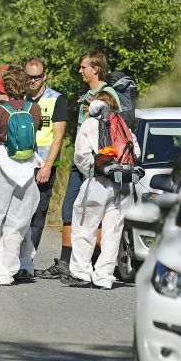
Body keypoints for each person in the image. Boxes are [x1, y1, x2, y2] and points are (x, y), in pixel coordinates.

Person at [36, 51, 120, 279]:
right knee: (69, 209)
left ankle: (98, 266)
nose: (80, 71)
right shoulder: (88, 95)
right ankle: (66, 262)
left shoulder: (108, 95)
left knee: (96, 214)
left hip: (97, 166)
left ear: (97, 69)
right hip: (79, 163)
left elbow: (109, 130)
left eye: (84, 67)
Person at [0, 66, 43, 286]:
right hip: (27, 168)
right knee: (16, 223)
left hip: (0, 166)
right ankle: (5, 271)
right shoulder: (35, 109)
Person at [61, 93, 139, 289]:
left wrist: (93, 170)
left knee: (84, 226)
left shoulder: (90, 124)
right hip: (123, 185)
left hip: (98, 182)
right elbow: (135, 152)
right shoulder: (124, 126)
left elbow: (81, 155)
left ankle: (81, 272)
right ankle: (104, 276)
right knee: (113, 232)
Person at [13, 57, 69, 279]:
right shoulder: (20, 99)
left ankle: (27, 262)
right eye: (29, 77)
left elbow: (58, 137)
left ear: (44, 76)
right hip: (21, 164)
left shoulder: (56, 100)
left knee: (37, 215)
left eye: (37, 77)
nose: (32, 81)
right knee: (19, 214)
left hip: (43, 166)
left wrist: (47, 167)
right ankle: (14, 258)